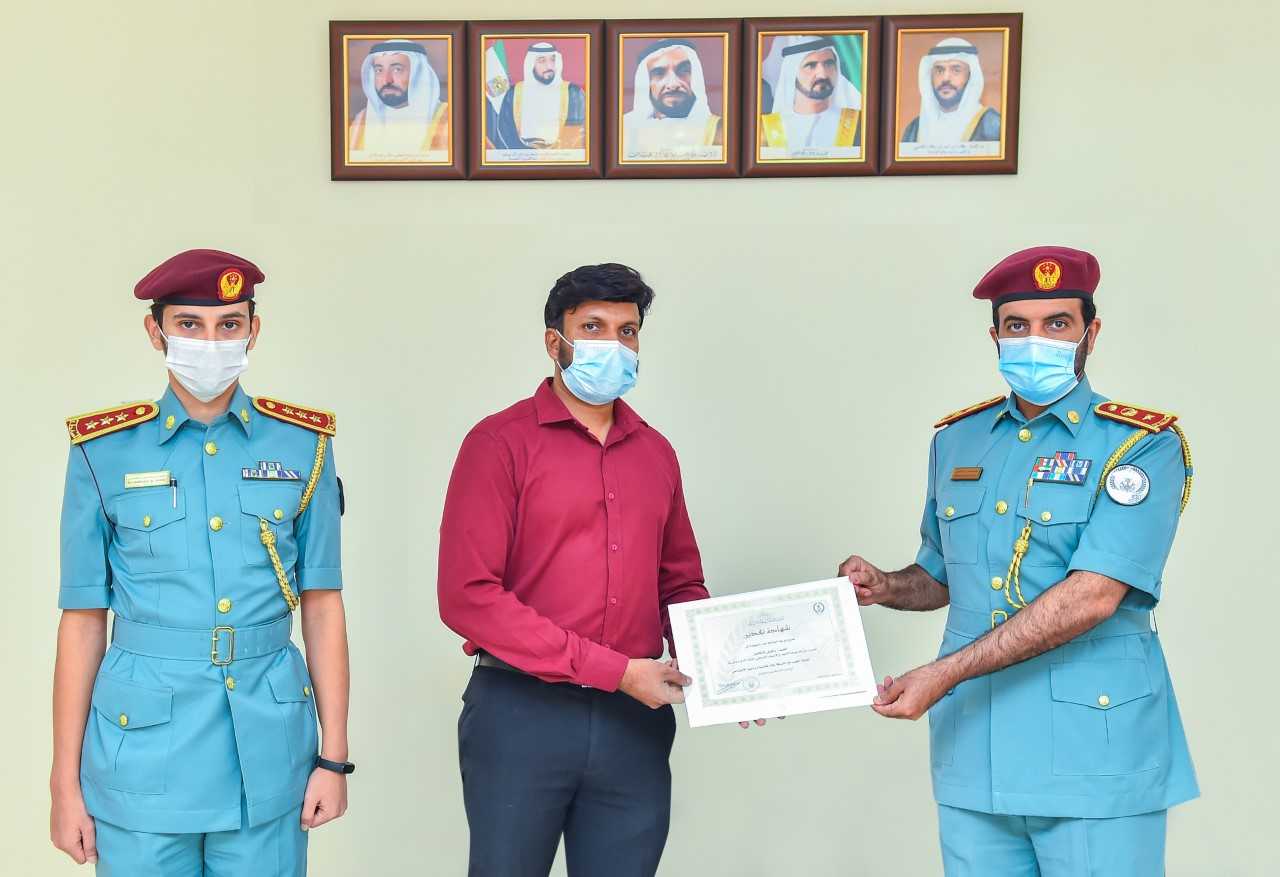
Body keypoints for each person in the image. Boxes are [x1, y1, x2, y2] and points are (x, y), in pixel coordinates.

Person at [837, 246, 1198, 876]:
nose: (1037, 340)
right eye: (1018, 326)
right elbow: (942, 575)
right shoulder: (959, 440)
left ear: (1092, 331)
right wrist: (886, 585)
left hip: (1094, 750)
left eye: (1057, 323)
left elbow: (1093, 595)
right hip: (976, 746)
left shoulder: (1142, 446)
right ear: (995, 336)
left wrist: (944, 673)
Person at [49, 249, 354, 875]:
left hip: (267, 753)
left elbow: (322, 605)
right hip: (140, 755)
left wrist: (334, 756)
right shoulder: (101, 452)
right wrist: (64, 783)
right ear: (155, 331)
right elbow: (82, 619)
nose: (210, 342)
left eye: (229, 325)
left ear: (253, 330)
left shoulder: (304, 446)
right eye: (189, 325)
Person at [438, 264, 712, 877]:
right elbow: (468, 597)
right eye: (592, 327)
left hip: (633, 725)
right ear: (553, 341)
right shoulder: (498, 444)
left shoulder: (656, 452)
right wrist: (615, 672)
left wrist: (726, 668)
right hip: (520, 713)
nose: (613, 345)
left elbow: (680, 582)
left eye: (627, 331)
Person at [348, 39, 449, 160]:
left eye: (397, 69)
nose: (387, 80)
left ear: (417, 74)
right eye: (379, 70)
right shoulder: (361, 120)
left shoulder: (448, 118)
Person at [622, 39, 723, 158]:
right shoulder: (622, 129)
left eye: (684, 71)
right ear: (645, 81)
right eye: (659, 73)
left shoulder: (720, 130)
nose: (673, 84)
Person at [759, 37, 861, 153]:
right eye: (811, 66)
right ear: (791, 74)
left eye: (829, 64)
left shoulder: (859, 124)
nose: (822, 74)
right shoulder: (765, 130)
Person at [901, 36, 1001, 145]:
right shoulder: (914, 129)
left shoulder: (992, 124)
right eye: (939, 70)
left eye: (956, 70)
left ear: (971, 76)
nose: (946, 78)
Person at [488, 42, 586, 150]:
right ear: (531, 64)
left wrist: (554, 155)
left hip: (562, 156)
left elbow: (578, 131)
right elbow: (505, 130)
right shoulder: (514, 93)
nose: (549, 66)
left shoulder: (573, 92)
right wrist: (528, 156)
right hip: (522, 158)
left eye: (552, 60)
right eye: (542, 61)